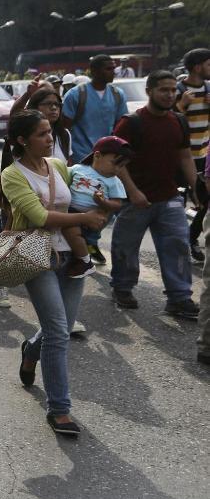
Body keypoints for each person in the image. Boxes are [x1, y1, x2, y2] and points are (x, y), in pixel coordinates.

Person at [4, 110, 107, 437]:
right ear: (22, 140)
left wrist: (100, 208)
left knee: (55, 330)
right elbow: (38, 216)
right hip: (39, 256)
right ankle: (60, 409)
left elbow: (77, 200)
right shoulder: (12, 174)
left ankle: (30, 351)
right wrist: (84, 220)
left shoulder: (58, 166)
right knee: (59, 333)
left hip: (74, 258)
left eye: (51, 132)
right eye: (42, 134)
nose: (50, 139)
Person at [109, 70, 200, 319]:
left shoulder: (179, 121)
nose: (170, 95)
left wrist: (197, 189)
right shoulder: (131, 123)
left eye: (173, 90)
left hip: (169, 197)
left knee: (178, 246)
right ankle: (122, 288)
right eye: (164, 90)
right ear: (150, 91)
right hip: (135, 200)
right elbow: (118, 162)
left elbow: (185, 156)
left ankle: (179, 298)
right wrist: (133, 191)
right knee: (126, 248)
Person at [61, 136, 131, 278]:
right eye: (115, 164)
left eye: (122, 166)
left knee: (70, 229)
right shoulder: (77, 168)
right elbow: (63, 181)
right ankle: (77, 260)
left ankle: (85, 261)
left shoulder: (114, 182)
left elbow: (118, 204)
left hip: (91, 216)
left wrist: (103, 203)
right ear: (98, 155)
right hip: (69, 209)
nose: (118, 169)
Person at [61, 54, 128, 163]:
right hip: (80, 158)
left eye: (113, 68)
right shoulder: (75, 95)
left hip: (106, 158)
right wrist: (67, 158)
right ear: (94, 71)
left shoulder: (118, 95)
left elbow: (120, 127)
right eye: (108, 69)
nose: (113, 72)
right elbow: (64, 130)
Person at [177, 48, 210, 263]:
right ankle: (177, 242)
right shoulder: (178, 89)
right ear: (197, 67)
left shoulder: (208, 89)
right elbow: (170, 119)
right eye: (208, 64)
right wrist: (182, 105)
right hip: (180, 156)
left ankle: (191, 238)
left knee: (205, 202)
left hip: (204, 156)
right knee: (176, 201)